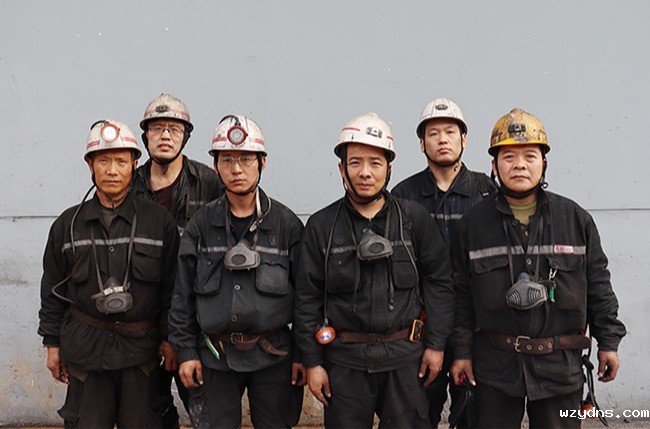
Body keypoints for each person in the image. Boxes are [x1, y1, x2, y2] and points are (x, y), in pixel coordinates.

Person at [450, 108, 626, 428]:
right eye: (508, 157)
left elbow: (598, 285)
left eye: (529, 156)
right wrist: (462, 353)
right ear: (494, 166)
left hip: (559, 368)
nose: (519, 165)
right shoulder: (472, 225)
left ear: (544, 163)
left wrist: (608, 343)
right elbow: (461, 296)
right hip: (495, 368)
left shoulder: (575, 220)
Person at [295, 112, 455, 428]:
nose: (365, 172)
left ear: (389, 168)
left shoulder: (414, 221)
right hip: (345, 364)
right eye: (355, 163)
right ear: (342, 168)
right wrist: (313, 362)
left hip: (405, 361)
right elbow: (306, 299)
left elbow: (439, 284)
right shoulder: (322, 227)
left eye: (375, 163)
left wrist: (436, 345)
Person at [38, 119, 180, 428]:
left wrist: (170, 339)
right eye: (103, 160)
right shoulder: (67, 225)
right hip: (85, 354)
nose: (112, 170)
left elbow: (173, 289)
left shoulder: (159, 222)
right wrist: (52, 344)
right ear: (90, 164)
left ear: (134, 164)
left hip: (141, 355)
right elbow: (51, 289)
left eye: (120, 161)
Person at [169, 115, 306, 428]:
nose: (236, 169)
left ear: (262, 163)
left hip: (274, 356)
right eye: (227, 160)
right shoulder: (201, 226)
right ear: (215, 166)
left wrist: (303, 355)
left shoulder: (286, 225)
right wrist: (187, 352)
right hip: (215, 356)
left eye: (246, 159)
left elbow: (306, 298)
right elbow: (182, 296)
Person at [392, 98, 495, 427]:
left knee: (473, 416)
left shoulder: (486, 192)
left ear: (464, 139)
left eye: (450, 132)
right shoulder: (403, 195)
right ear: (422, 143)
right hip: (420, 327)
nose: (442, 139)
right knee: (418, 415)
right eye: (433, 133)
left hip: (476, 327)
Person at [131, 93, 224, 427]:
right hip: (143, 322)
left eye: (174, 128)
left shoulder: (209, 183)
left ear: (186, 135)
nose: (166, 136)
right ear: (145, 136)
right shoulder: (129, 185)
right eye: (157, 128)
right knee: (147, 415)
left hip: (196, 322)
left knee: (207, 414)